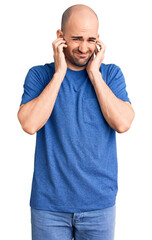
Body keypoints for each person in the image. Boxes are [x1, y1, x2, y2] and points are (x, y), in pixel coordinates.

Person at [17, 4, 135, 240]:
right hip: (49, 207)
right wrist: (59, 73)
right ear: (60, 37)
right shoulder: (40, 75)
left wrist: (94, 74)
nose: (84, 47)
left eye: (91, 39)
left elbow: (123, 123)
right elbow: (29, 124)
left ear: (98, 40)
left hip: (99, 205)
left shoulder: (110, 75)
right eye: (76, 38)